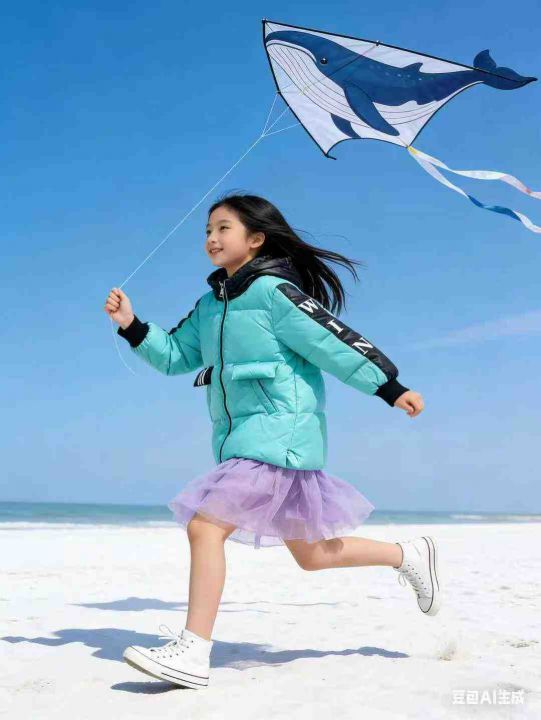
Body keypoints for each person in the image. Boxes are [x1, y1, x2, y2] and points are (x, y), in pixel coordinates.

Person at [105, 193, 441, 690]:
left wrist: (389, 387)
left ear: (256, 239)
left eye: (223, 228)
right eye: (207, 231)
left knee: (204, 526)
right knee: (312, 555)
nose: (212, 238)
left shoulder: (275, 294)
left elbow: (334, 342)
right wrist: (132, 326)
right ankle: (407, 554)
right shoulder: (210, 305)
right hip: (245, 442)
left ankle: (193, 650)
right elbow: (176, 356)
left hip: (280, 434)